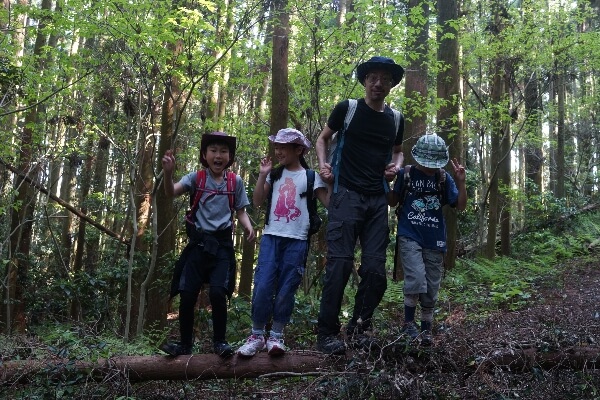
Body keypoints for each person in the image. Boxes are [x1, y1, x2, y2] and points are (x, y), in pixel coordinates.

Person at [314, 56, 405, 354]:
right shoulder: (347, 109)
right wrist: (324, 165)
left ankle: (359, 327)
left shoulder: (395, 118)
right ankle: (327, 333)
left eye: (385, 79)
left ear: (391, 85)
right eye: (373, 78)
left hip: (378, 199)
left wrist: (395, 166)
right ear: (365, 81)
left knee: (376, 270)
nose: (378, 83)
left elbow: (398, 152)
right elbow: (322, 139)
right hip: (345, 194)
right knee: (339, 265)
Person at [160, 131, 255, 357]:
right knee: (188, 294)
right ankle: (184, 345)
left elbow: (240, 211)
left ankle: (220, 342)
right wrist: (168, 173)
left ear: (230, 157)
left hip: (222, 246)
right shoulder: (196, 178)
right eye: (213, 150)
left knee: (218, 293)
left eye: (223, 151)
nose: (218, 155)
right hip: (198, 245)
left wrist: (248, 225)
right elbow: (170, 192)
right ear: (205, 155)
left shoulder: (235, 182)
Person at [237, 128, 329, 357]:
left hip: (297, 240)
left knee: (287, 288)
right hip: (271, 237)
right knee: (263, 286)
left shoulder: (310, 177)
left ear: (298, 150)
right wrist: (261, 174)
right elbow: (257, 201)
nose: (278, 151)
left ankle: (276, 336)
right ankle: (257, 335)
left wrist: (332, 180)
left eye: (283, 147)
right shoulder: (274, 175)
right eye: (276, 147)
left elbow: (331, 205)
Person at [388, 133, 467, 346]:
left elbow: (459, 205)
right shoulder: (407, 174)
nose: (430, 167)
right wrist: (385, 179)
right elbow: (393, 201)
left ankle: (426, 331)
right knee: (416, 278)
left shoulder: (443, 178)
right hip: (409, 235)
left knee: (431, 287)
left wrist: (461, 183)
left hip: (435, 240)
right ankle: (408, 324)